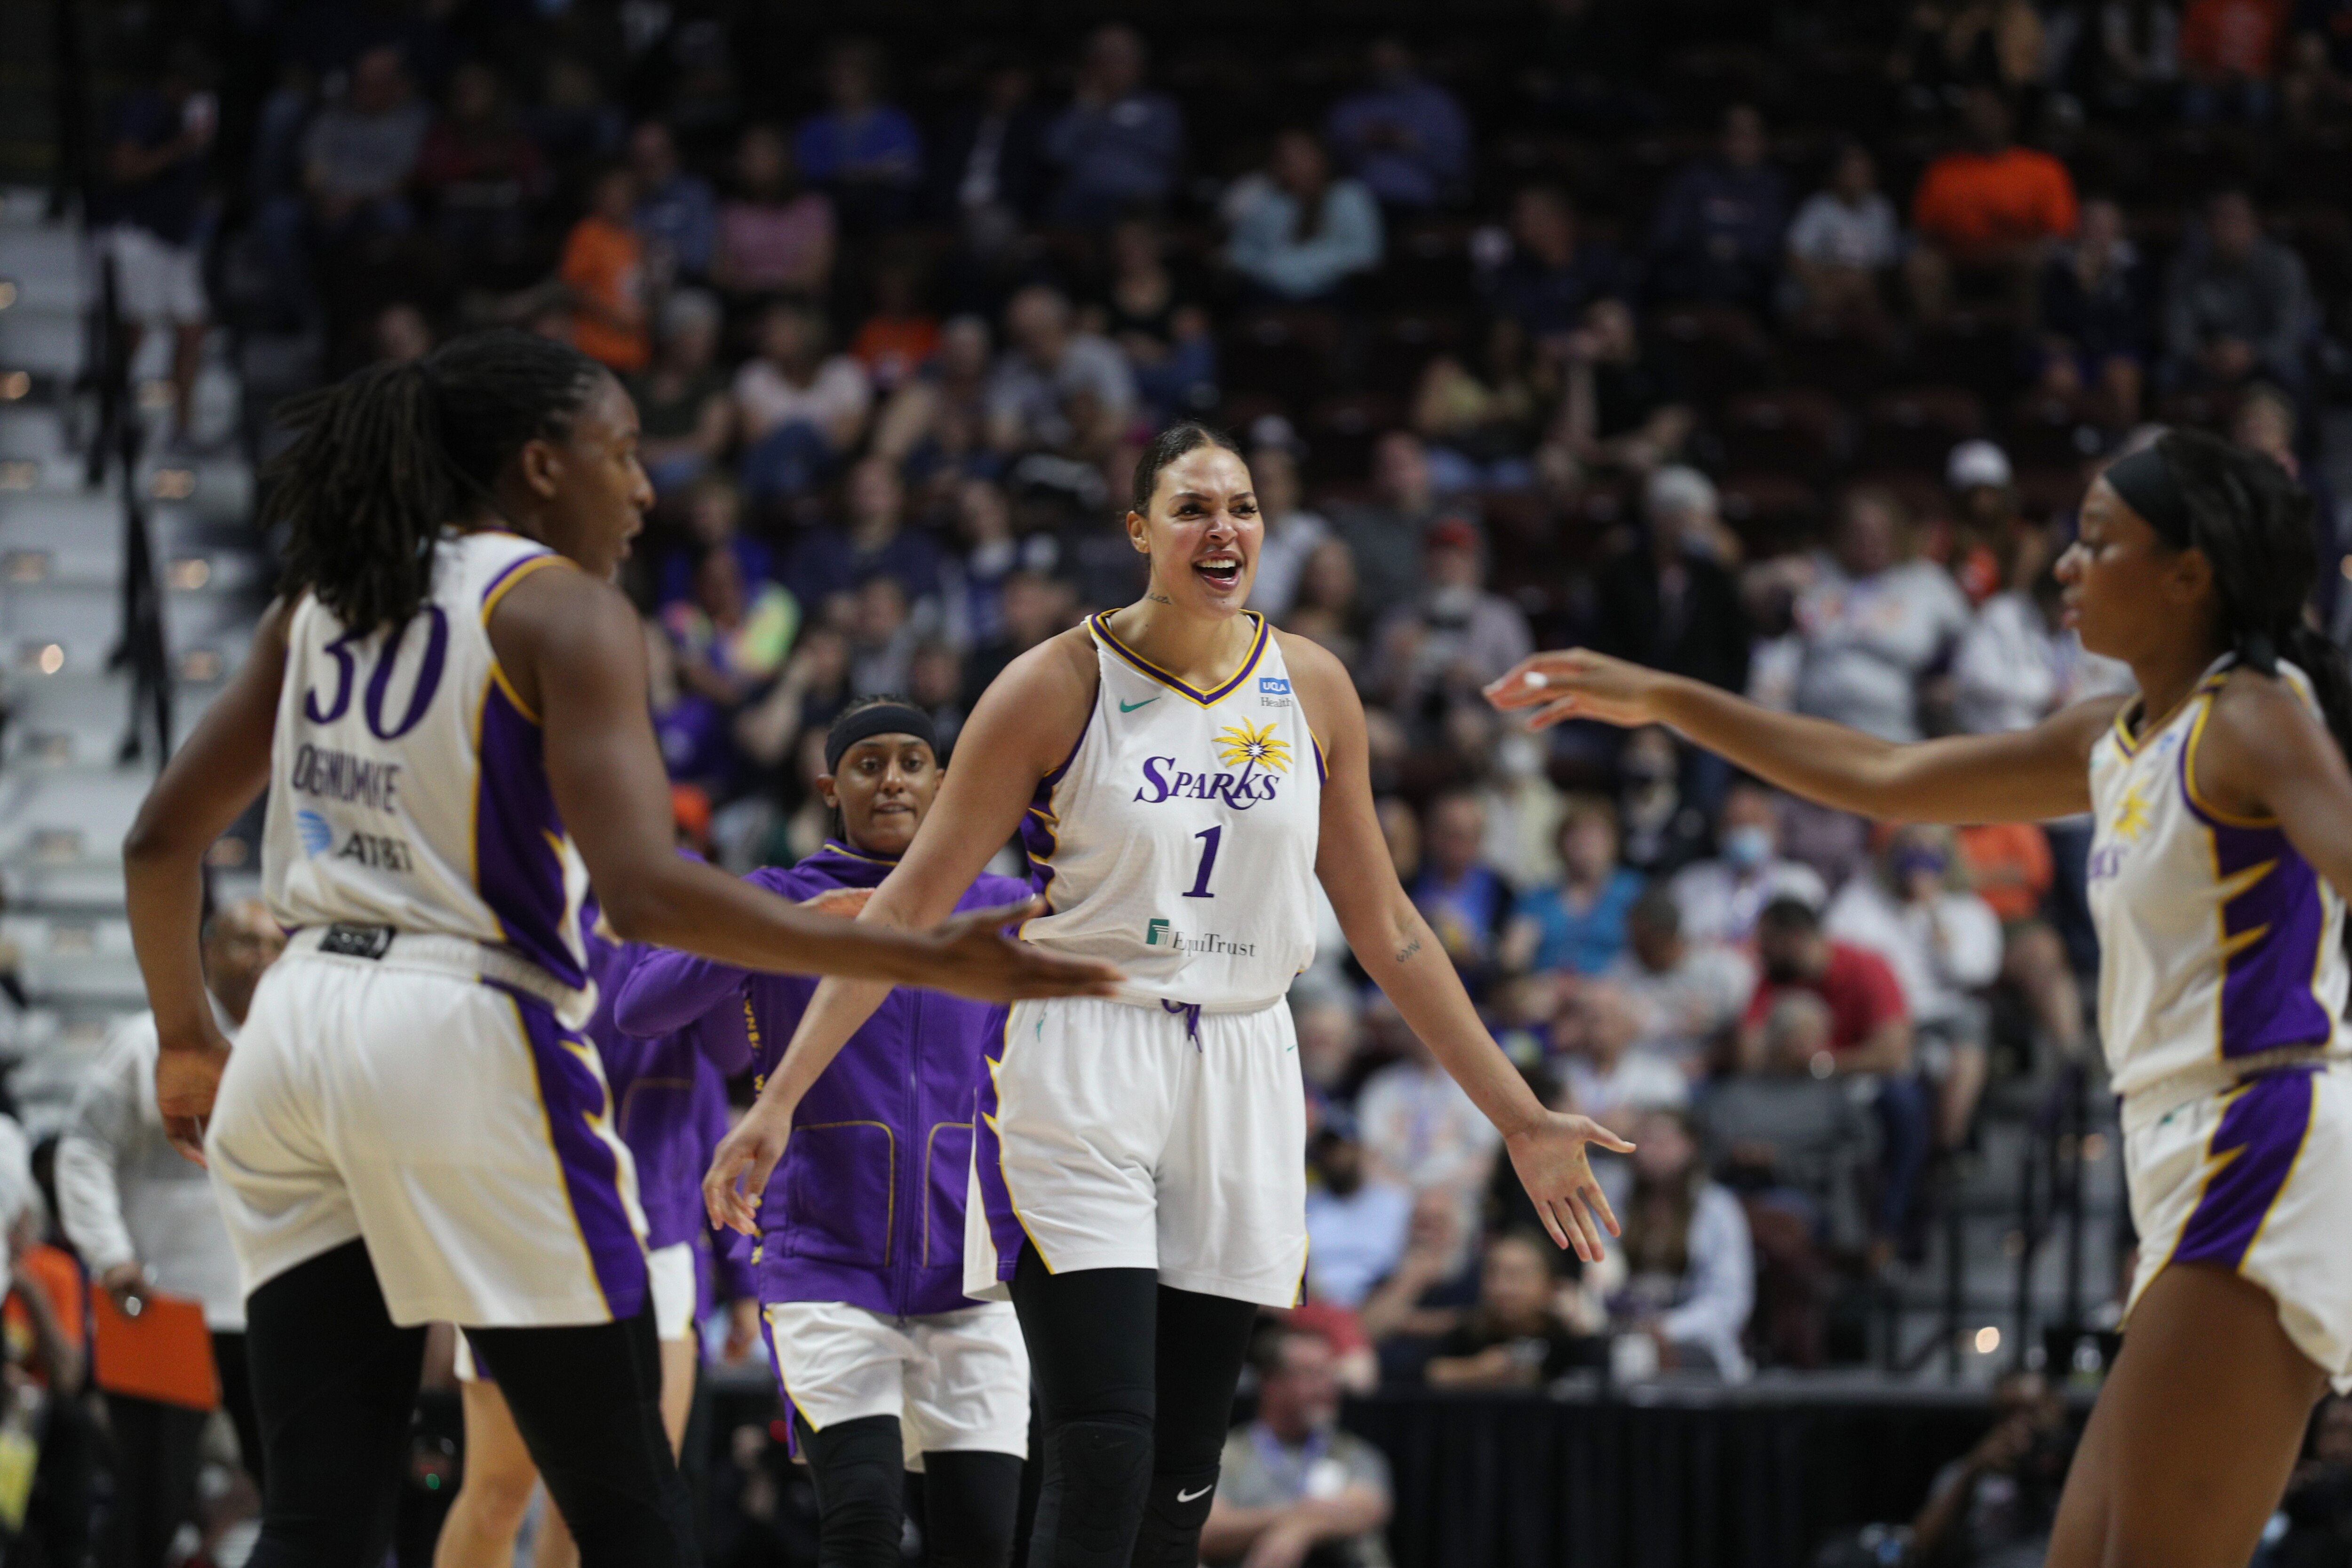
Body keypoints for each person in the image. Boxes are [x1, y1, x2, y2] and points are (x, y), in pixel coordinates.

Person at [118, 331, 1117, 1568]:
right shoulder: (561, 609)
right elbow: (646, 897)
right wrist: (908, 948)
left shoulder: (321, 602)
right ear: (541, 467)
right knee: (634, 1503)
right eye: (624, 452)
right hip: (459, 1028)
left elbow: (161, 841)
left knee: (319, 1512)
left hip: (295, 1036)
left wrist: (183, 1038)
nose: (645, 487)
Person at [707, 421, 1631, 1568]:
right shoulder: (1055, 682)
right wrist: (780, 1096)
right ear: (1139, 530)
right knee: (1101, 1448)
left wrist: (1521, 1115)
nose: (1222, 530)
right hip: (1084, 1049)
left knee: (1180, 1483)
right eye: (1193, 508)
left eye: (1241, 507)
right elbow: (902, 916)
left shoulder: (1313, 684)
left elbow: (1390, 928)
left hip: (1245, 1056)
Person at [1488, 425, 2352, 1567]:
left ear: (2189, 574)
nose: (2063, 568)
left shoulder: (2254, 716)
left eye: (2098, 543)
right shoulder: (2119, 736)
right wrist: (1667, 698)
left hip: (2264, 1131)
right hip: (2178, 1146)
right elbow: (1883, 775)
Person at [616, 699, 1031, 1567]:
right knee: (864, 1521)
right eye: (867, 763)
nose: (891, 780)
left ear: (944, 782)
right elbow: (642, 1006)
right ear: (828, 786)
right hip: (825, 1264)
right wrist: (788, 930)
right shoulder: (776, 895)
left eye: (912, 762)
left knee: (984, 1539)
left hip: (974, 1274)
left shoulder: (1004, 904)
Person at [435, 930, 753, 1568]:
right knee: (499, 1495)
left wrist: (738, 1283)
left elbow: (730, 1059)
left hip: (656, 1245)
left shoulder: (687, 911)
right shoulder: (523, 900)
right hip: (523, 1232)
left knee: (613, 1508)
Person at [60, 900, 280, 1568]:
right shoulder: (147, 1040)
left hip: (267, 1303)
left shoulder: (299, 1046)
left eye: (276, 943)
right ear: (207, 951)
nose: (263, 957)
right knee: (150, 1498)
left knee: (298, 1487)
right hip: (160, 1302)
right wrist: (112, 1257)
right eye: (245, 941)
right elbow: (84, 1149)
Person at [94, 44, 217, 447]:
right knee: (134, 331)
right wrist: (182, 145)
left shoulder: (197, 113)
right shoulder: (144, 109)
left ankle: (183, 429)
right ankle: (105, 415)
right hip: (136, 235)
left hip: (175, 239)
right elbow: (123, 168)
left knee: (192, 328)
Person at [1200, 1329, 1394, 1568]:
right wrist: (1294, 1518)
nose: (1326, 1387)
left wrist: (1301, 1531)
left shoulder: (1354, 1452)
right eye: (1311, 1374)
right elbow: (1208, 1530)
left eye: (1330, 1374)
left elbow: (1369, 1510)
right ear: (1271, 1383)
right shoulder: (1227, 1455)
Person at [1605, 1107, 1754, 1379]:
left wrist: (1668, 1327)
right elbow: (1598, 1272)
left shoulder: (1717, 1209)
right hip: (1624, 1335)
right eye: (1642, 1142)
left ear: (1690, 1146)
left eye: (1660, 1141)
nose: (1648, 1151)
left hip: (1696, 1343)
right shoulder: (1616, 1201)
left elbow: (1731, 1301)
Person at [1906, 88, 2078, 322]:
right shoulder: (1942, 171)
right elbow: (1925, 232)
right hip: (1957, 260)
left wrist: (2018, 250)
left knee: (2034, 263)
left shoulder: (2043, 168)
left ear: (2008, 115)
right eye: (1973, 112)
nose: (1979, 119)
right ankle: (1937, 346)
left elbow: (2060, 233)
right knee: (1921, 266)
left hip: (2019, 259)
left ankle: (2028, 344)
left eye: (1988, 111)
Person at [1908, 1370, 2077, 1568]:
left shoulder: (2080, 1467)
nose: (2018, 1423)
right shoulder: (1970, 1471)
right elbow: (1921, 1548)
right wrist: (1973, 1472)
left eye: (2030, 1411)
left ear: (2056, 1408)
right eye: (2007, 1413)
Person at [2161, 188, 2314, 392]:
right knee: (2165, 374)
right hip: (2207, 358)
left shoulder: (2283, 265)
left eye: (2237, 219)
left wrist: (2251, 354)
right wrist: (2204, 354)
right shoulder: (2187, 268)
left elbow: (2289, 332)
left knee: (2293, 371)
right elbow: (2177, 329)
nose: (2229, 228)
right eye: (2220, 220)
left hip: (2263, 356)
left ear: (2255, 224)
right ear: (2206, 227)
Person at [1645, 103, 1788, 310]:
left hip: (1749, 280)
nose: (1741, 143)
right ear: (1721, 140)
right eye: (1734, 134)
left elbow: (1772, 242)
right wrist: (1706, 247)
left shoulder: (1774, 186)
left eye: (1749, 135)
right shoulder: (1692, 179)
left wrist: (1736, 250)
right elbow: (1666, 233)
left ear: (1763, 142)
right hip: (1693, 274)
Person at [1042, 24, 1184, 224]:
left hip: (1137, 202)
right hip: (1084, 203)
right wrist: (1087, 109)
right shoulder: (1082, 108)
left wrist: (1108, 136)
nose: (1113, 67)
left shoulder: (1159, 107)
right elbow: (1055, 152)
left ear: (1139, 65)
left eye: (1122, 59)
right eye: (1105, 59)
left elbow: (1166, 152)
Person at [1224, 128, 1385, 304]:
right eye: (1285, 158)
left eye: (1302, 155)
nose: (1295, 164)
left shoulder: (1348, 196)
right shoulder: (1268, 203)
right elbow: (1240, 252)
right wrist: (1267, 270)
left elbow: (1366, 255)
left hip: (1334, 291)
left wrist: (1294, 268)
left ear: (1322, 158)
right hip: (1271, 292)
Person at [1423, 1230, 1597, 1388]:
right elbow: (1423, 1372)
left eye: (1518, 1276)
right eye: (1494, 1274)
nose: (1503, 1288)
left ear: (1551, 1285)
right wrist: (1475, 1370)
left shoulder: (1568, 1341)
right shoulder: (1468, 1333)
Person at [1666, 783, 1828, 950]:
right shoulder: (1688, 884)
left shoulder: (1804, 885)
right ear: (1718, 832)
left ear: (1776, 828)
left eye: (1754, 820)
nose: (1744, 830)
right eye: (1734, 822)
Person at [1505, 795, 1645, 978]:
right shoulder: (1537, 898)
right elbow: (1513, 957)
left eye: (1595, 835)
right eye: (1576, 835)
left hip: (1613, 989)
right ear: (1560, 843)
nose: (1585, 843)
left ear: (1613, 842)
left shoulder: (1634, 892)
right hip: (1548, 988)